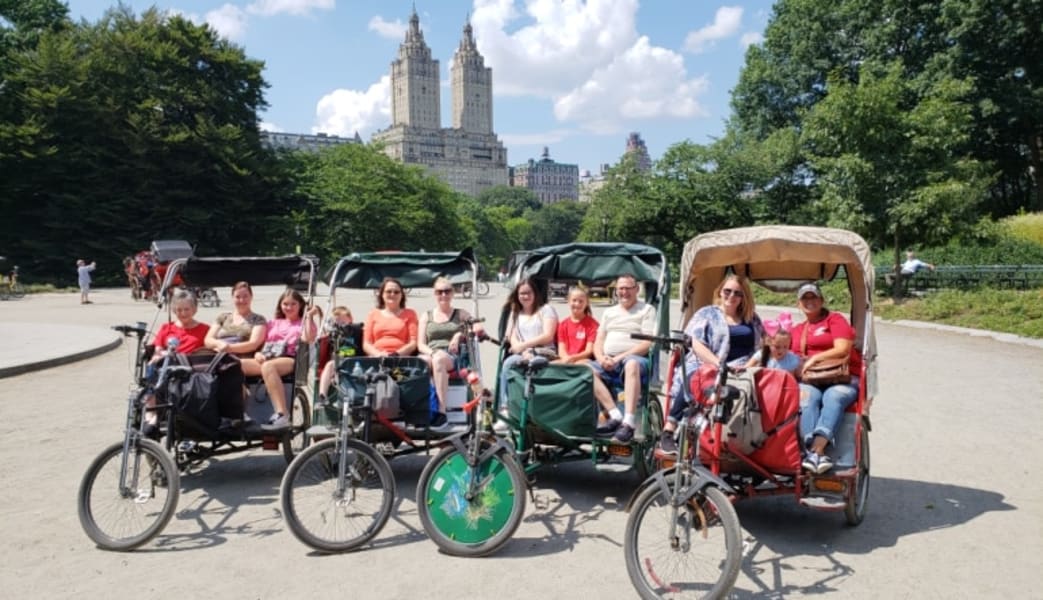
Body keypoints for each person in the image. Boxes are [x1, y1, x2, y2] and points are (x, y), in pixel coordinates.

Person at [659, 274, 764, 455]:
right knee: (696, 377)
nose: (731, 296)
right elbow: (695, 342)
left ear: (744, 296)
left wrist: (749, 364)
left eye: (737, 293)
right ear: (720, 292)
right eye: (727, 291)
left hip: (743, 367)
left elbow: (762, 346)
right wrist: (717, 363)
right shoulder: (707, 313)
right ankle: (669, 430)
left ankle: (746, 437)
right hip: (707, 361)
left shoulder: (751, 318)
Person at [791, 282, 863, 475]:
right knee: (806, 398)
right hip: (812, 380)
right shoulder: (797, 330)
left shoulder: (835, 320)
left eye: (813, 297)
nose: (809, 301)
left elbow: (842, 349)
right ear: (799, 304)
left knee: (833, 397)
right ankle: (812, 453)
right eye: (805, 298)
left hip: (843, 377)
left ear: (821, 301)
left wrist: (814, 358)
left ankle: (816, 450)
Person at [589, 274, 657, 443]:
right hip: (607, 359)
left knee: (632, 364)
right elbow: (598, 341)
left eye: (628, 288)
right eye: (621, 288)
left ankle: (628, 422)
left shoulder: (647, 310)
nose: (624, 292)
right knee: (584, 369)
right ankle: (614, 413)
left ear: (637, 289)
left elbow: (647, 343)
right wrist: (601, 357)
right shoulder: (609, 312)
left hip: (633, 358)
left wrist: (618, 358)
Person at [239, 289, 320, 429]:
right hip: (267, 356)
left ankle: (282, 413)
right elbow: (262, 343)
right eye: (285, 304)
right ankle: (240, 411)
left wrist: (308, 316)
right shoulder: (273, 323)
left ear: (300, 305)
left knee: (268, 367)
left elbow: (308, 339)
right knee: (236, 365)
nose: (288, 308)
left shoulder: (304, 322)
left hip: (289, 358)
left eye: (293, 304)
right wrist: (258, 354)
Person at [142, 288, 211, 436]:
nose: (183, 313)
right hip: (168, 367)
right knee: (152, 364)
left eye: (186, 309)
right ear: (173, 310)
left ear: (194, 309)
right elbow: (158, 350)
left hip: (192, 370)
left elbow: (208, 352)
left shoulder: (205, 329)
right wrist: (161, 355)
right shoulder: (167, 328)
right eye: (179, 309)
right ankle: (151, 412)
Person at [418, 277, 479, 429]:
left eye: (447, 291)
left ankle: (441, 411)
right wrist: (432, 353)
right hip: (431, 353)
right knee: (421, 362)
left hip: (452, 356)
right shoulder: (427, 315)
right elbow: (420, 344)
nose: (443, 295)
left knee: (438, 359)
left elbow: (475, 327)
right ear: (435, 294)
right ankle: (420, 411)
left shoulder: (460, 314)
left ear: (452, 293)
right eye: (440, 292)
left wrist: (459, 335)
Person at [499, 277, 559, 406]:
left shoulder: (546, 310)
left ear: (535, 293)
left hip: (544, 351)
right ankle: (505, 406)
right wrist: (520, 349)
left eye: (528, 293)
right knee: (508, 363)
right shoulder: (516, 313)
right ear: (517, 295)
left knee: (534, 363)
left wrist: (525, 347)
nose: (525, 296)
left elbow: (548, 335)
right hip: (523, 352)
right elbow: (511, 335)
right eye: (522, 293)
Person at [204, 281, 267, 358]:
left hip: (240, 359)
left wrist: (228, 348)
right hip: (217, 356)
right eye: (237, 297)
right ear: (232, 298)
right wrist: (218, 344)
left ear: (251, 297)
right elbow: (208, 340)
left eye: (245, 296)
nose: (241, 300)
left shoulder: (258, 320)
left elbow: (253, 344)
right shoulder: (223, 317)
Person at [363, 277, 419, 357]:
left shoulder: (410, 314)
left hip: (401, 357)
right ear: (382, 294)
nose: (392, 294)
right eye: (388, 291)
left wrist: (396, 354)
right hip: (377, 357)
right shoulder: (373, 314)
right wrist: (378, 354)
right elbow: (366, 344)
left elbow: (413, 343)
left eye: (396, 292)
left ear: (401, 295)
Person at [318, 306, 358, 404]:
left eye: (343, 323)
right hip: (339, 362)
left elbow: (354, 350)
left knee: (333, 362)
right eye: (338, 323)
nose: (341, 326)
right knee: (330, 365)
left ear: (351, 319)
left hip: (355, 361)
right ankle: (322, 395)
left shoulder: (356, 331)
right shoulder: (336, 335)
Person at [750, 311, 801, 377]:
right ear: (768, 342)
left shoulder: (791, 359)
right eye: (777, 347)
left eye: (785, 347)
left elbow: (791, 380)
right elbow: (746, 368)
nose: (781, 350)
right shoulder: (761, 354)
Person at [555, 286, 599, 364]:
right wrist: (565, 358)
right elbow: (561, 350)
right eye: (574, 300)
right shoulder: (563, 324)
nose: (577, 304)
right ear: (568, 301)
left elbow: (589, 351)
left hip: (583, 359)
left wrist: (572, 358)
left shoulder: (593, 325)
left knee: (580, 365)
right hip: (566, 359)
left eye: (581, 301)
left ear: (587, 303)